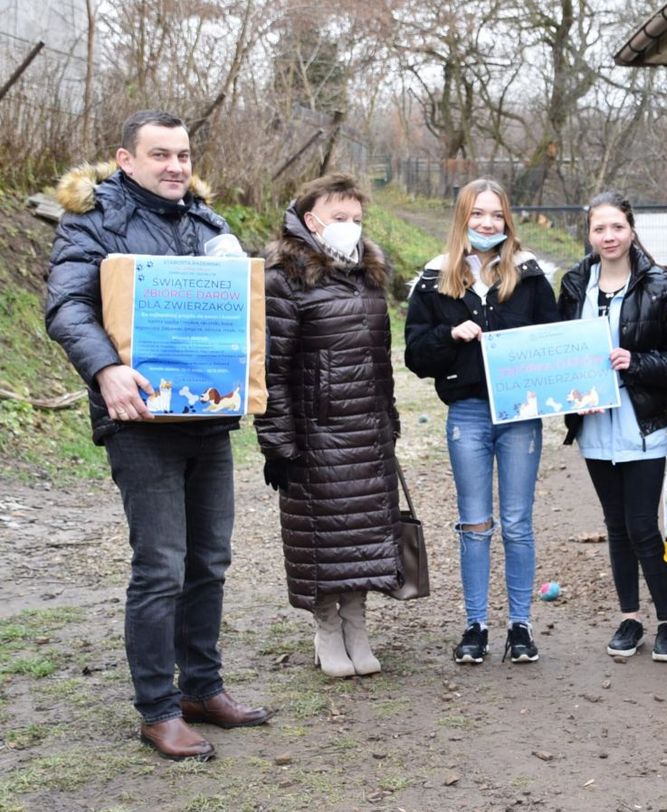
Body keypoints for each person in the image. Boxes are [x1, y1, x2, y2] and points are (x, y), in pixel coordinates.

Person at [44, 110, 269, 761]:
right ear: (126, 159)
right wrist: (106, 368)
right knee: (161, 566)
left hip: (208, 418)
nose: (176, 166)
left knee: (210, 560)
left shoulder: (207, 224)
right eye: (161, 154)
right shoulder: (95, 220)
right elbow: (67, 306)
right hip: (139, 422)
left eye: (184, 155)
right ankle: (158, 710)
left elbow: (243, 306)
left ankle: (202, 688)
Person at [404, 178, 558, 665]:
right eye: (477, 214)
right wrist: (450, 334)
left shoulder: (530, 275)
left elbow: (555, 344)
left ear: (507, 220)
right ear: (462, 218)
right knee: (474, 523)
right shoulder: (435, 278)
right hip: (467, 412)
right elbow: (414, 354)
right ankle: (475, 625)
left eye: (496, 215)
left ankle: (520, 625)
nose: (488, 223)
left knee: (517, 522)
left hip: (520, 415)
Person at [254, 173, 401, 679]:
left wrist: (389, 422)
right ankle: (326, 628)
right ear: (310, 220)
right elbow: (272, 368)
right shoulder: (284, 277)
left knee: (362, 534)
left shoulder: (368, 274)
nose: (350, 226)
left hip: (367, 430)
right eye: (339, 217)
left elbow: (381, 359)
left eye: (356, 217)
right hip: (315, 434)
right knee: (321, 535)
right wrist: (277, 443)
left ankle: (357, 624)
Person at [557, 192, 667, 662]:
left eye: (617, 227)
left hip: (642, 424)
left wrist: (636, 362)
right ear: (589, 234)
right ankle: (630, 618)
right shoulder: (575, 285)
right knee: (616, 526)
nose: (609, 236)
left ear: (631, 230)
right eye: (599, 228)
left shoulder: (661, 285)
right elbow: (560, 351)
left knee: (642, 526)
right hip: (595, 428)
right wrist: (573, 394)